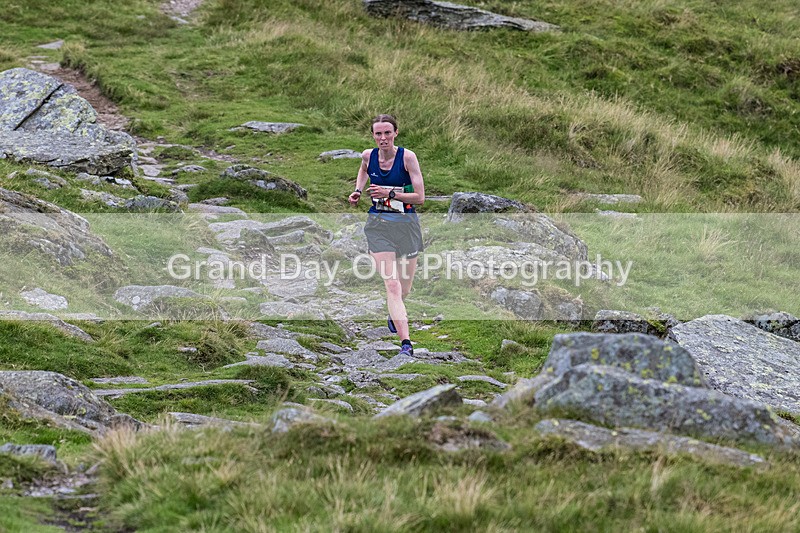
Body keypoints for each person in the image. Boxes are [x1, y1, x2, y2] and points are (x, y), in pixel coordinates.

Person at [349, 114, 425, 356]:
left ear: (395, 133)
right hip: (378, 225)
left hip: (407, 227)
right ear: (373, 135)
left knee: (404, 289)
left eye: (387, 133)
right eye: (378, 134)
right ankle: (406, 344)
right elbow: (363, 169)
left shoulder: (408, 158)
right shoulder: (368, 155)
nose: (383, 138)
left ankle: (395, 311)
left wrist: (389, 194)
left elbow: (420, 198)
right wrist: (358, 190)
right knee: (392, 284)